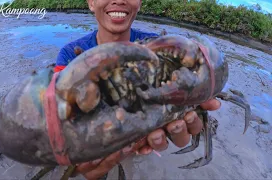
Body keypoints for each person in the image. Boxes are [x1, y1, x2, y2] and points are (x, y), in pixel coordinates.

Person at [54, 0, 221, 179]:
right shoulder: (70, 55)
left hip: (142, 146)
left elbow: (197, 80)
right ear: (91, 3)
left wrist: (189, 109)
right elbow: (57, 115)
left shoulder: (165, 47)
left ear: (140, 3)